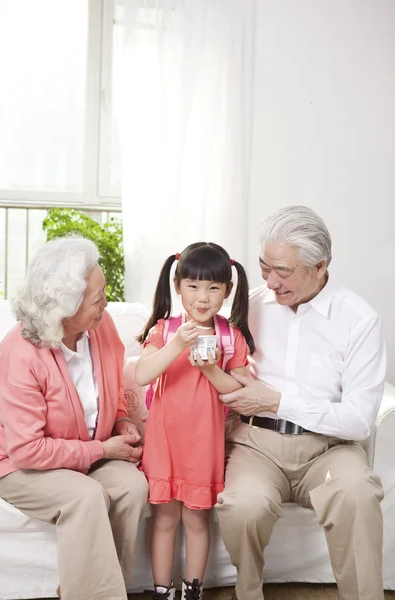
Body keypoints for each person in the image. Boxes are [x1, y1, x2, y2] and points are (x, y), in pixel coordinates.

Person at [216, 205, 387, 600]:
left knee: (357, 495)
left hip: (328, 449)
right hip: (256, 446)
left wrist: (277, 401)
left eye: (283, 271)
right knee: (243, 506)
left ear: (319, 266)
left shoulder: (358, 320)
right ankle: (247, 594)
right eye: (263, 266)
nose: (271, 281)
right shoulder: (249, 305)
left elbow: (359, 420)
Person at [0, 236, 148, 600]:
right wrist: (101, 449)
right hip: (18, 466)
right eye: (97, 298)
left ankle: (84, 589)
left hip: (87, 450)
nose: (106, 303)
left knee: (132, 486)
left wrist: (121, 421)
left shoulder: (102, 326)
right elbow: (28, 450)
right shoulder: (20, 355)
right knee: (86, 497)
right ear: (64, 307)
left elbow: (110, 389)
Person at [135, 242, 255, 600]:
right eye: (193, 286)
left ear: (228, 291)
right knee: (165, 519)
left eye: (213, 288)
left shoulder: (230, 336)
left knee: (197, 519)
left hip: (204, 443)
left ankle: (192, 591)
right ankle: (161, 590)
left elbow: (236, 392)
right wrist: (177, 345)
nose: (203, 297)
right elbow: (143, 375)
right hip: (164, 441)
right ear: (177, 286)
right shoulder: (165, 329)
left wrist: (211, 369)